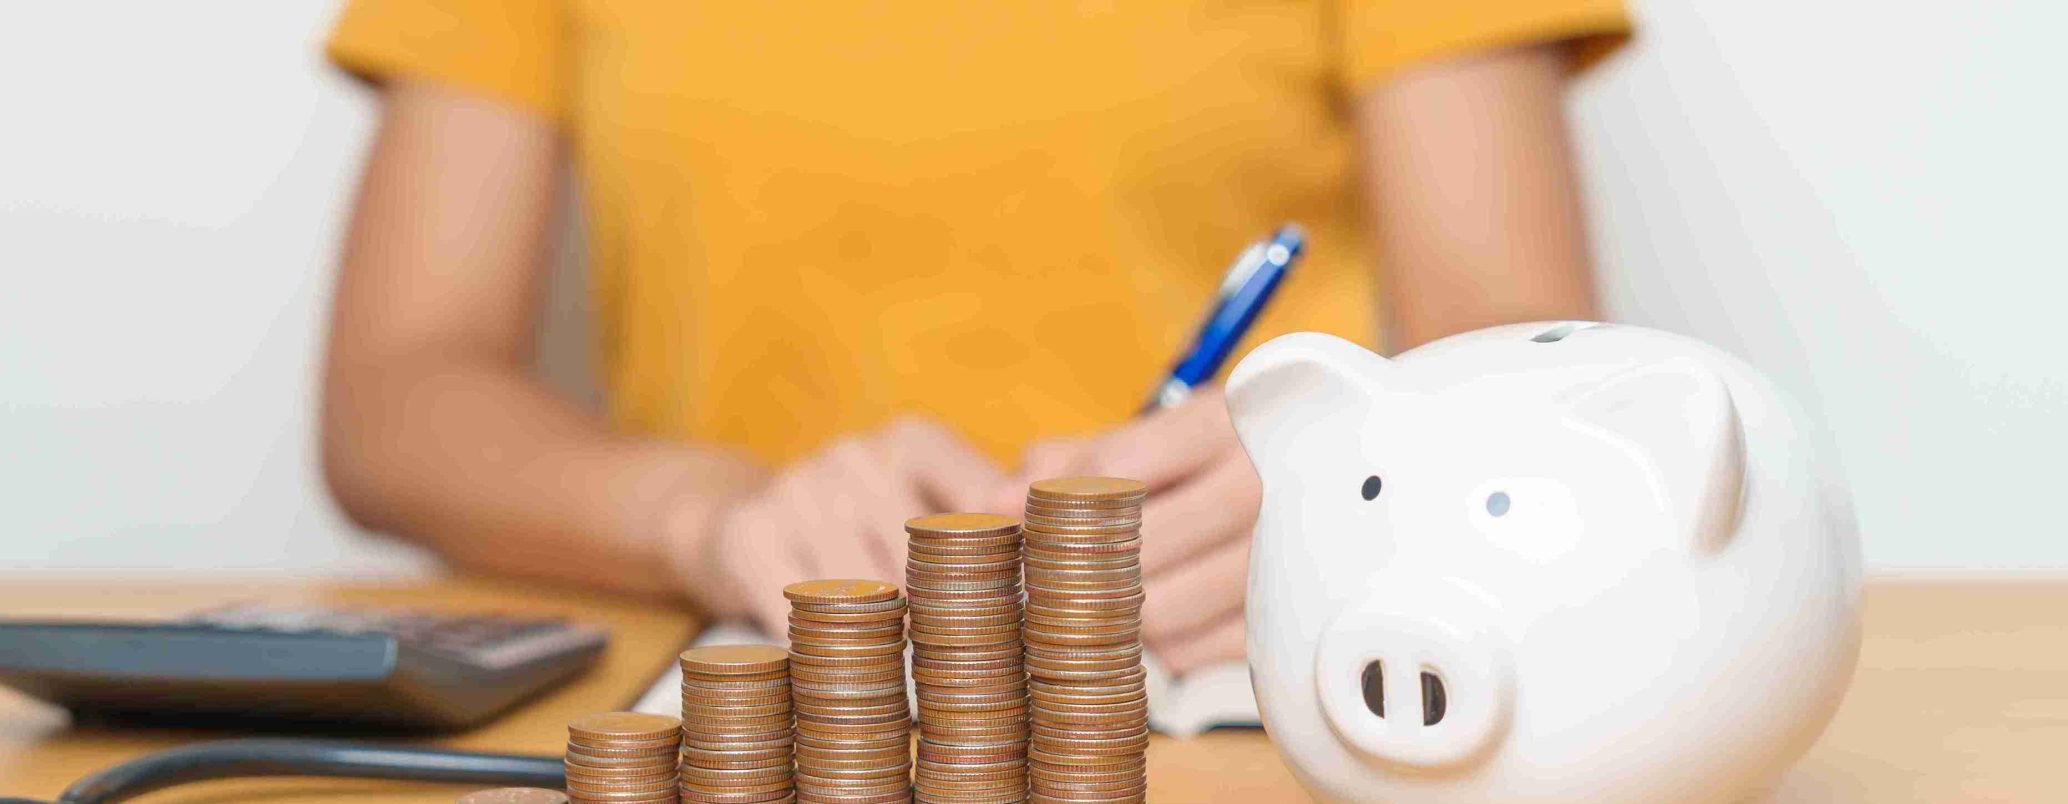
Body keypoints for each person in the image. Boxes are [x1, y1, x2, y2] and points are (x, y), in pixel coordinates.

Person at [317, 2, 1628, 670]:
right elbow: (396, 395)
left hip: (1244, 669)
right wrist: (705, 516)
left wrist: (1339, 481)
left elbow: (1531, 351)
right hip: (759, 686)